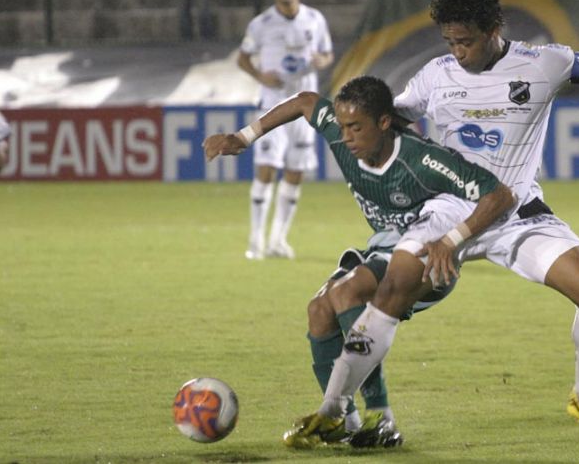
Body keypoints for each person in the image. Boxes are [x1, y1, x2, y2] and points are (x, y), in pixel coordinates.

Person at [287, 0, 579, 447]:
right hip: (448, 210)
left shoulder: (543, 64)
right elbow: (387, 118)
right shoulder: (435, 76)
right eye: (449, 41)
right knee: (391, 291)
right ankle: (334, 409)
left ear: (492, 31)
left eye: (465, 41)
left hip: (517, 215)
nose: (456, 51)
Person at [203, 75, 515, 446]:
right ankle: (346, 423)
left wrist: (451, 241)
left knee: (347, 294)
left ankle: (380, 418)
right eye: (343, 126)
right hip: (381, 248)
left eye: (356, 127)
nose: (346, 136)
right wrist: (243, 136)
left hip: (425, 262)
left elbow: (499, 195)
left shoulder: (422, 159)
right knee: (319, 309)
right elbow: (305, 101)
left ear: (384, 122)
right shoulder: (341, 134)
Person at [237, 0, 334, 260]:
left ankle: (278, 239)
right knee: (266, 170)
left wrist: (322, 61)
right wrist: (259, 76)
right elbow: (243, 58)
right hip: (272, 106)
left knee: (295, 172)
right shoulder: (261, 24)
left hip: (304, 109)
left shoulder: (315, 20)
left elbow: (327, 54)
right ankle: (256, 242)